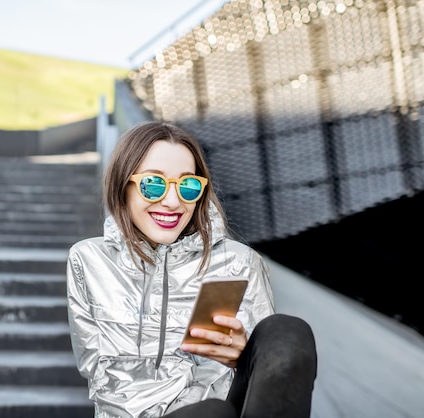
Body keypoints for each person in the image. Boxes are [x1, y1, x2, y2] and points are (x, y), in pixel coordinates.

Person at [67, 121, 317, 418]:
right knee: (210, 414)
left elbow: (264, 380)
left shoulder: (240, 262)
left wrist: (241, 356)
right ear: (124, 185)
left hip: (225, 408)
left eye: (188, 185)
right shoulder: (89, 258)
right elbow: (97, 372)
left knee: (287, 333)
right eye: (153, 184)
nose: (172, 202)